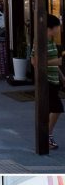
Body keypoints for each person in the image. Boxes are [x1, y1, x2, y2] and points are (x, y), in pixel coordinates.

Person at [32, 14, 64, 150]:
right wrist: (54, 62)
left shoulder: (51, 41)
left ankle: (47, 135)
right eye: (58, 27)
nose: (59, 30)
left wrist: (62, 76)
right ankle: (47, 135)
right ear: (51, 28)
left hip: (54, 80)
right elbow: (34, 62)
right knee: (57, 108)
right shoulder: (40, 41)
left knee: (52, 109)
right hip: (45, 81)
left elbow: (54, 64)